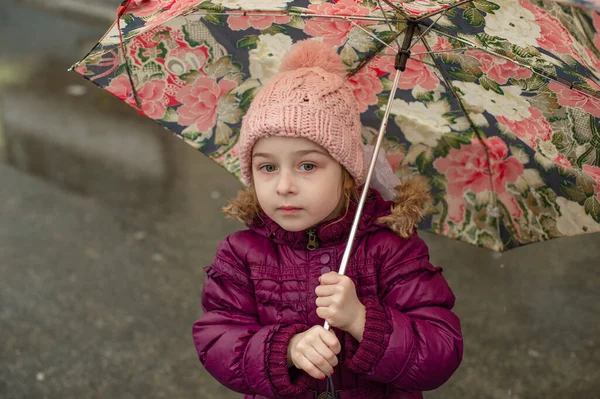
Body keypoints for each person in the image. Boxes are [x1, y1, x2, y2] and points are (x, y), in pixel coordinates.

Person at [192, 40, 463, 399]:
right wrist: (286, 350)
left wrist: (361, 321)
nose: (285, 186)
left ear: (346, 171)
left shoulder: (392, 248)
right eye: (268, 167)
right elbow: (217, 340)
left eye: (308, 165)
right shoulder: (241, 254)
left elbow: (440, 351)